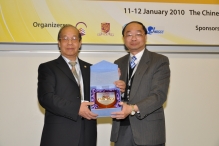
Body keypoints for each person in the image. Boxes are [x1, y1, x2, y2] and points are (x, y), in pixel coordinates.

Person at [37, 24, 125, 146]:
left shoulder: (91, 69)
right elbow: (46, 98)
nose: (70, 43)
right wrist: (77, 108)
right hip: (59, 135)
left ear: (80, 43)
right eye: (65, 38)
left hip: (87, 134)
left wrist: (115, 88)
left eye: (74, 38)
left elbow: (100, 96)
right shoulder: (48, 68)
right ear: (59, 42)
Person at [111, 21, 170, 146]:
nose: (133, 38)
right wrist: (116, 90)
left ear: (145, 37)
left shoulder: (159, 61)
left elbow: (159, 95)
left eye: (138, 34)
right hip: (122, 128)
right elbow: (113, 96)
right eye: (129, 35)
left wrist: (132, 108)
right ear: (123, 38)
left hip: (148, 130)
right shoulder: (118, 63)